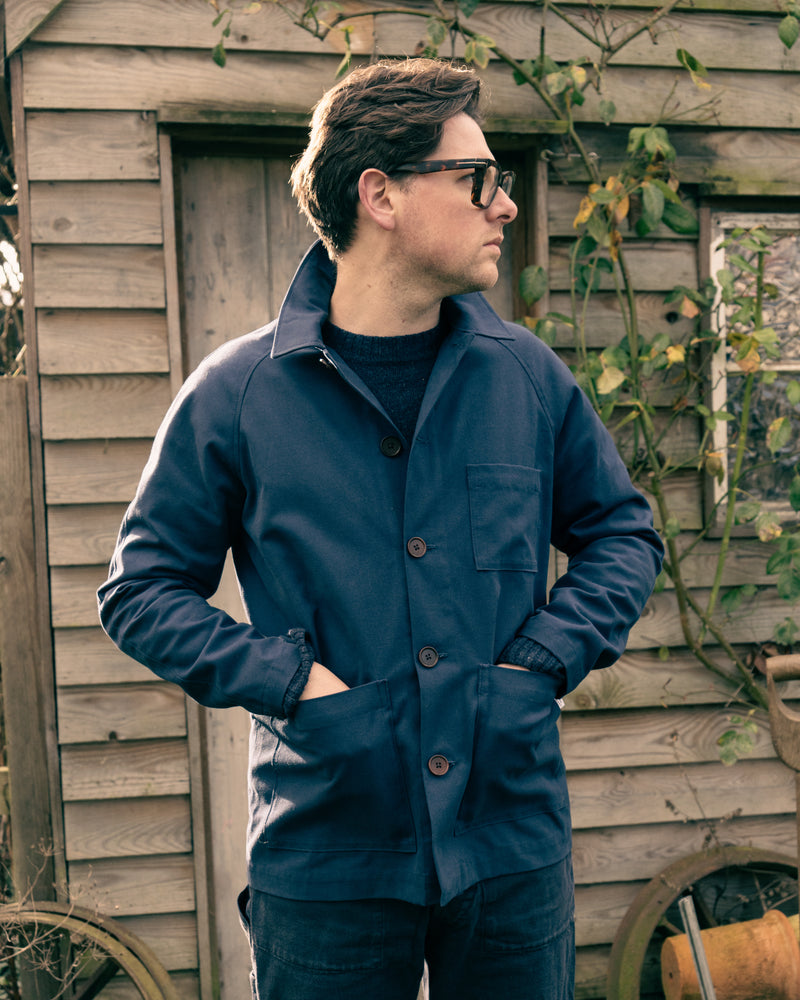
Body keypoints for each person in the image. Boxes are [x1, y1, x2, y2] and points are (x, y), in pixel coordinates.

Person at [98, 57, 663, 1000]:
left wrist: (540, 663)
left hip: (509, 839)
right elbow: (139, 591)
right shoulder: (238, 396)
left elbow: (623, 534)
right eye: (479, 180)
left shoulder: (526, 379)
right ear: (382, 195)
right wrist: (293, 684)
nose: (505, 206)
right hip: (328, 851)